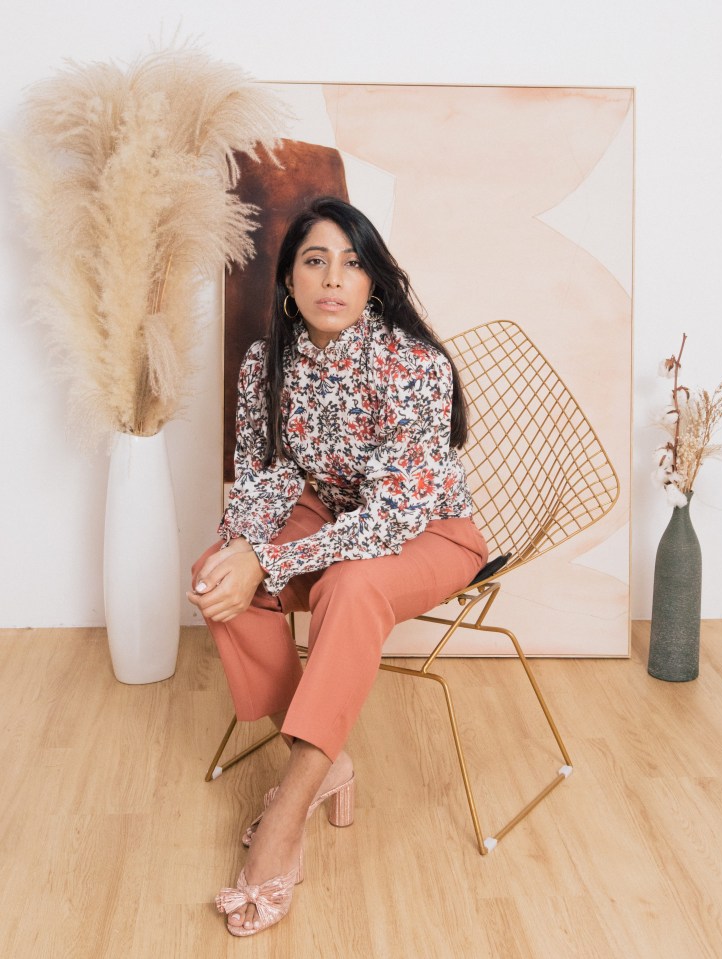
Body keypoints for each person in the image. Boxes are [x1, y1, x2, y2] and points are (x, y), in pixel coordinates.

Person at [188, 196, 489, 938]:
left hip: (429, 530)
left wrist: (272, 555)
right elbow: (262, 475)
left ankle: (292, 803)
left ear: (374, 282)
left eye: (352, 263)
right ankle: (327, 755)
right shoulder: (268, 361)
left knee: (350, 586)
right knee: (215, 571)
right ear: (289, 280)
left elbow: (387, 519)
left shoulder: (414, 365)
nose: (333, 278)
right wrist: (244, 548)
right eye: (315, 260)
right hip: (327, 515)